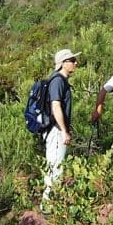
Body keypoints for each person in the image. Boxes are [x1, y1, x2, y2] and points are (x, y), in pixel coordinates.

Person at [42, 48, 80, 207]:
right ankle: (49, 206)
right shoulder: (58, 81)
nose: (75, 63)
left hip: (56, 130)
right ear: (63, 63)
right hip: (56, 131)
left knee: (55, 166)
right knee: (55, 168)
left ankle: (50, 204)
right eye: (72, 60)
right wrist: (64, 131)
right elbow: (56, 106)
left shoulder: (59, 80)